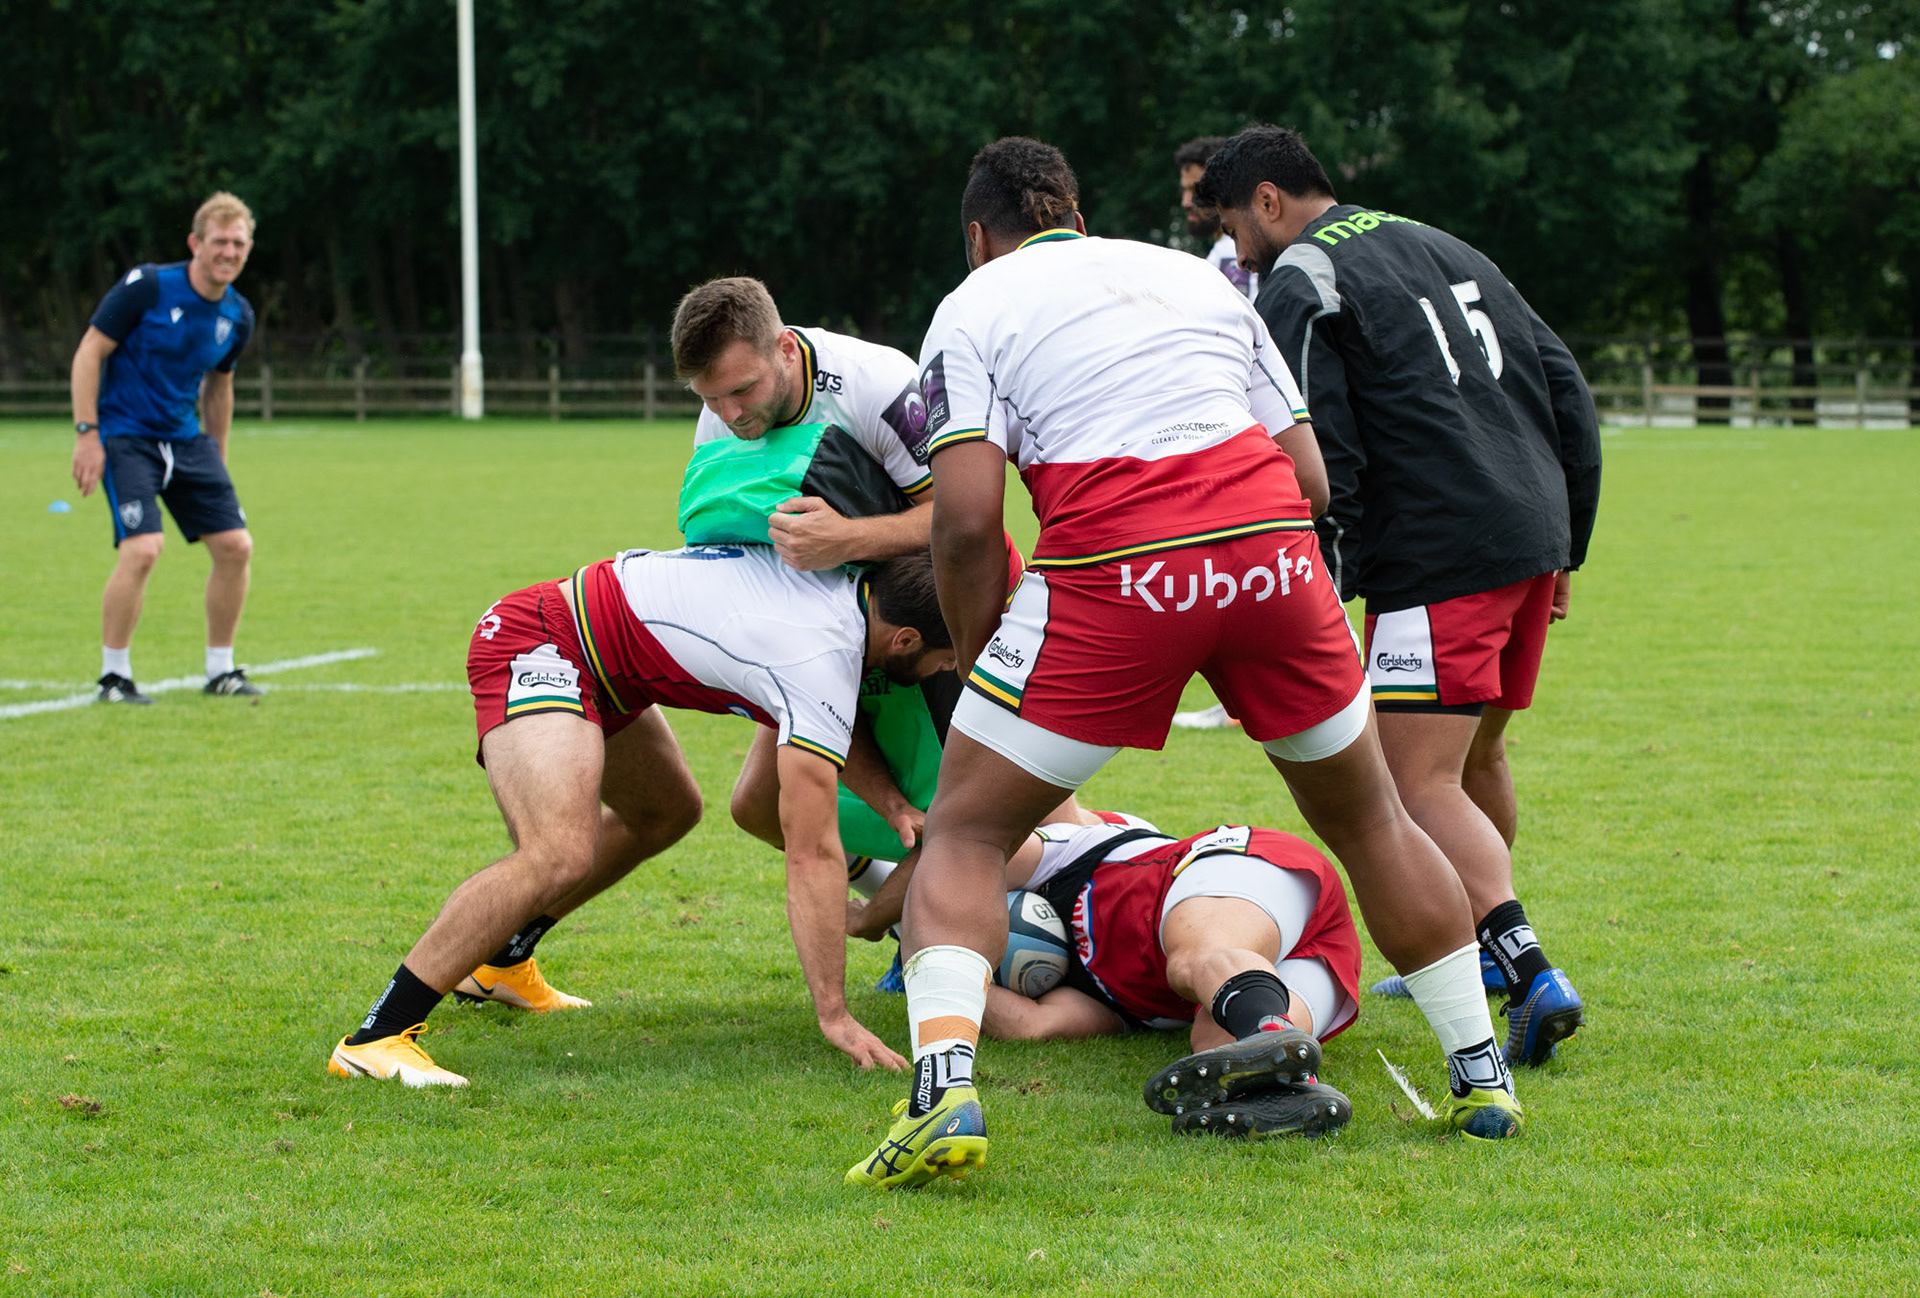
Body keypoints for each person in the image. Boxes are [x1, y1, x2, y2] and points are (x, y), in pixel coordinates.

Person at [847, 137, 1522, 1192]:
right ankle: (1483, 1078)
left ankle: (942, 1093)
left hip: (1118, 562)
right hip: (1270, 553)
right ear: (1078, 210)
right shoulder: (1191, 274)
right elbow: (1309, 478)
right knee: (1375, 818)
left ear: (978, 236)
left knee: (970, 832)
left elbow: (969, 520)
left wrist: (986, 661)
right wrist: (1238, 610)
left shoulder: (972, 305)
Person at [1195, 125, 1603, 1067]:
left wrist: (1321, 586)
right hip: (1527, 537)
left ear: (1266, 200)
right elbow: (1564, 383)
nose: (1239, 255)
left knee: (1415, 784)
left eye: (1233, 227)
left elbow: (1322, 454)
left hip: (1440, 554)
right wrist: (1566, 541)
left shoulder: (1300, 277)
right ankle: (1484, 952)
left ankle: (1526, 963)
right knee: (1471, 758)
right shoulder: (1443, 242)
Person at [326, 547, 956, 1087]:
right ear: (903, 639)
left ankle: (500, 965)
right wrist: (835, 1015)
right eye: (945, 658)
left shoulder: (842, 590)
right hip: (541, 640)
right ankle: (377, 1037)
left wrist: (893, 804)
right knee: (555, 852)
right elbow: (811, 852)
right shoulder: (817, 657)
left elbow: (828, 721)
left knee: (667, 811)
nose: (948, 672)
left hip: (608, 667)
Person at [852, 813, 1362, 1140]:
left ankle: (1268, 1033)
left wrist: (874, 915)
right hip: (1310, 959)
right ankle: (1290, 1089)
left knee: (1192, 960)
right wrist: (939, 967)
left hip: (1250, 873)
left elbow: (953, 859)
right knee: (1210, 1041)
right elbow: (1032, 1025)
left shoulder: (1058, 854)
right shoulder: (1086, 998)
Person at [69, 192, 261, 703]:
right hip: (127, 435)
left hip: (187, 440)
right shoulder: (149, 287)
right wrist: (87, 434)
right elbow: (90, 350)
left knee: (235, 547)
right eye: (220, 241)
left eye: (239, 243)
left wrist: (216, 454)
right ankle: (115, 677)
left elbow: (219, 387)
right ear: (196, 242)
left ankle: (221, 670)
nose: (229, 251)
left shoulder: (238, 315)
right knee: (143, 549)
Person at [1177, 136, 1259, 302]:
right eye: (1184, 191)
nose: (1186, 202)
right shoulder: (1224, 249)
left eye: (1195, 190)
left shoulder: (1231, 253)